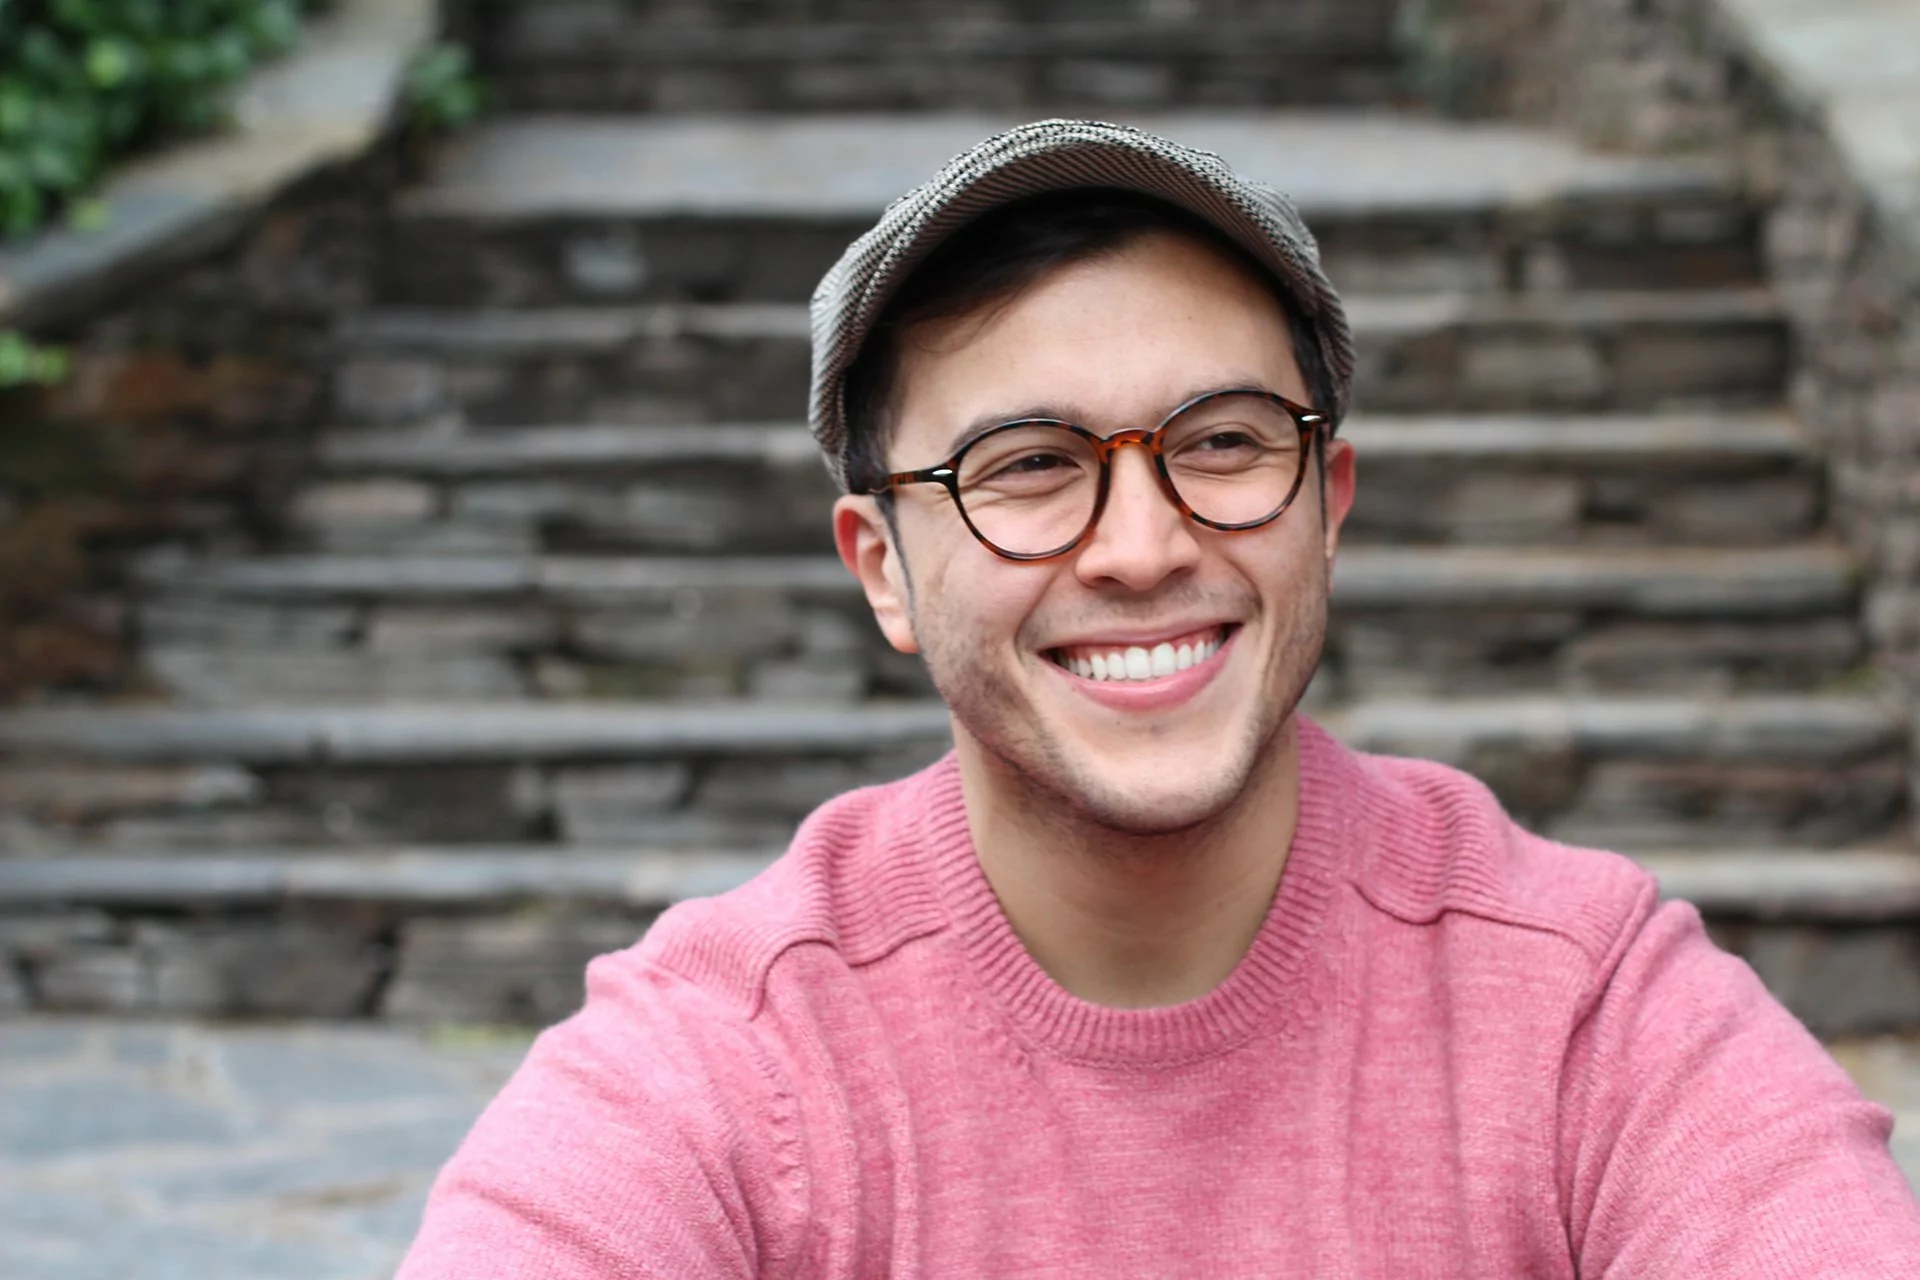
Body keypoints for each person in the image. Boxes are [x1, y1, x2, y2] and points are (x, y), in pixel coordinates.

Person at [397, 120, 1920, 1277]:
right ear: (883, 569)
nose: (1144, 548)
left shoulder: (1584, 1006)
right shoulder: (723, 1066)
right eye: (1030, 469)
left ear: (1328, 499)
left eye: (1223, 441)